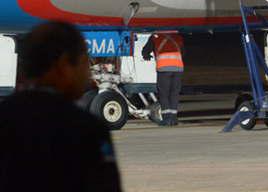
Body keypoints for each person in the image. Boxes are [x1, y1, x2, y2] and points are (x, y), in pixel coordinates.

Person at [0, 21, 122, 191]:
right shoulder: (85, 128)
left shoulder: (5, 118)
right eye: (85, 62)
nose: (88, 73)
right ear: (64, 65)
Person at [142, 32, 185, 126]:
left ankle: (166, 119)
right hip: (178, 68)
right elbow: (183, 52)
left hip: (164, 68)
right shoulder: (178, 36)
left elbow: (145, 51)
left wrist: (146, 56)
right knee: (174, 93)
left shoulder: (155, 36)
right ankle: (174, 118)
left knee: (164, 94)